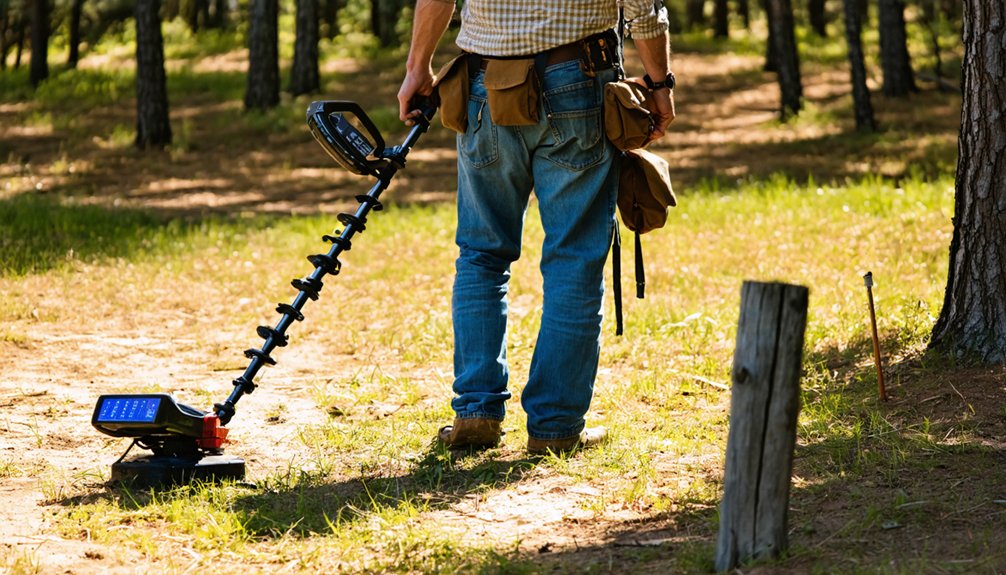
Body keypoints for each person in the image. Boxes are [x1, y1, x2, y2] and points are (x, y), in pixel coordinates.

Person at [398, 0, 675, 454]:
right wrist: (660, 84)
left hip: (485, 85)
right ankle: (556, 427)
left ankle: (476, 411)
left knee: (482, 255)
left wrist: (417, 67)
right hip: (579, 81)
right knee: (574, 259)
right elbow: (643, 6)